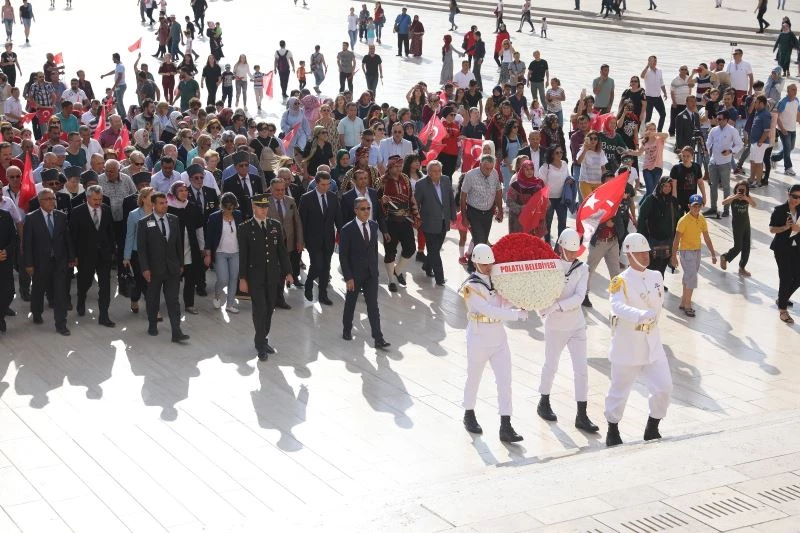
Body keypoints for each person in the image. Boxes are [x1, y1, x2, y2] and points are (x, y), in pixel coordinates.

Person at [605, 233, 672, 447]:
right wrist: (638, 314)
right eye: (640, 253)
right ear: (629, 254)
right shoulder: (620, 281)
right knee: (619, 391)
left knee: (664, 387)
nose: (646, 256)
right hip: (628, 343)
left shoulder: (656, 277)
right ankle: (613, 427)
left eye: (646, 251)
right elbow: (616, 306)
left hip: (652, 342)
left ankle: (652, 426)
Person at [460, 243, 527, 443]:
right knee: (474, 377)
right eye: (484, 264)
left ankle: (505, 424)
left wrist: (520, 302)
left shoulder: (496, 281)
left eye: (490, 263)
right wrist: (516, 315)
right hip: (479, 337)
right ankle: (469, 413)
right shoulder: (470, 286)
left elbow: (503, 302)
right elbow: (488, 310)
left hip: (498, 337)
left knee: (505, 381)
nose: (489, 267)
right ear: (475, 263)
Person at [537, 228, 599, 432]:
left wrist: (556, 306)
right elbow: (541, 293)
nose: (573, 255)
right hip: (555, 326)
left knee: (581, 371)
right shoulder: (549, 267)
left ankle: (582, 414)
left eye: (575, 252)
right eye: (570, 251)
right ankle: (543, 402)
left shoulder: (582, 268)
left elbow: (580, 297)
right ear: (561, 246)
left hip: (577, 325)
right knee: (551, 365)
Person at [238, 193, 292, 360]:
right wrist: (242, 278)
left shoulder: (274, 225)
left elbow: (282, 252)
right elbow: (243, 256)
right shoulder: (245, 228)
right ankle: (260, 344)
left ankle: (262, 338)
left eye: (266, 206)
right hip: (255, 277)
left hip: (272, 276)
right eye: (260, 207)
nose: (264, 210)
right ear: (254, 207)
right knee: (260, 309)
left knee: (269, 309)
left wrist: (288, 272)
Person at [136, 191, 189, 343]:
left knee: (173, 300)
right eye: (161, 203)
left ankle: (176, 331)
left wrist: (180, 264)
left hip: (172, 268)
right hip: (154, 269)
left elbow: (179, 243)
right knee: (153, 299)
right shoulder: (144, 223)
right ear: (153, 205)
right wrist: (145, 269)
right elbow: (142, 249)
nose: (165, 205)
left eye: (166, 202)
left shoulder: (174, 219)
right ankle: (152, 324)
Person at [340, 195, 390, 348]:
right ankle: (347, 329)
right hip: (354, 275)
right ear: (355, 210)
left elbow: (373, 249)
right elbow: (343, 256)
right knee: (351, 303)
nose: (366, 211)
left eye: (368, 208)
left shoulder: (374, 226)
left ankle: (378, 338)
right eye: (363, 209)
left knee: (373, 306)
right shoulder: (347, 229)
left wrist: (375, 269)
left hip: (371, 274)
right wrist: (348, 277)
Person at [24, 188, 75, 336]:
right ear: (40, 202)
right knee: (39, 289)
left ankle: (61, 324)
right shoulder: (31, 218)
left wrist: (71, 257)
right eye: (47, 199)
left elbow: (67, 238)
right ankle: (37, 312)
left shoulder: (61, 216)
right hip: (40, 262)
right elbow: (27, 243)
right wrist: (28, 264)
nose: (52, 201)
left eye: (53, 198)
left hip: (59, 261)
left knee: (60, 293)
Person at [69, 184, 115, 327]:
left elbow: (110, 231)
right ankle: (81, 299)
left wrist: (111, 251)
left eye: (100, 199)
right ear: (87, 198)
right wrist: (74, 256)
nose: (98, 202)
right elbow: (72, 236)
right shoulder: (77, 212)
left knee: (105, 286)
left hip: (103, 255)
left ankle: (104, 315)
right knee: (85, 282)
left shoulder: (106, 209)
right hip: (85, 256)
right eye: (95, 199)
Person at [670, 194, 717, 318]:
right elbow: (676, 240)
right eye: (694, 206)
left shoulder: (701, 218)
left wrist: (713, 253)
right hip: (686, 252)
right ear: (689, 206)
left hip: (697, 251)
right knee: (692, 278)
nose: (696, 208)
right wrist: (673, 257)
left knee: (689, 277)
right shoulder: (683, 221)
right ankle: (688, 305)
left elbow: (706, 237)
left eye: (699, 206)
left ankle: (683, 302)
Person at [299, 171, 342, 305]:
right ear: (316, 183)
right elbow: (301, 221)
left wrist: (344, 235)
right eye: (322, 184)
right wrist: (301, 241)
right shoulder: (306, 198)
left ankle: (323, 295)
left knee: (326, 267)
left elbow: (338, 219)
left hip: (328, 239)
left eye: (328, 184)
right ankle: (309, 283)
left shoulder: (333, 197)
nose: (325, 187)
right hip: (312, 240)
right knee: (317, 265)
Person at [414, 160, 456, 285]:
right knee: (434, 250)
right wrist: (416, 218)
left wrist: (453, 215)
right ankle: (440, 278)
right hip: (428, 222)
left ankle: (427, 266)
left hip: (443, 222)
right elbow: (416, 203)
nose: (437, 173)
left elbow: (450, 199)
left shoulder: (446, 180)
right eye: (434, 171)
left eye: (439, 171)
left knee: (436, 248)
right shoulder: (421, 184)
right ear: (429, 172)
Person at [460, 154, 503, 270]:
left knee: (483, 240)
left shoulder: (494, 173)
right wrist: (464, 217)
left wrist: (500, 210)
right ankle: (474, 267)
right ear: (480, 165)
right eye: (486, 168)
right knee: (480, 240)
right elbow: (463, 196)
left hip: (488, 212)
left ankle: (472, 263)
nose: (489, 171)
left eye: (491, 168)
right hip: (474, 213)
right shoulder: (470, 175)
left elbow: (498, 191)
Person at [267, 177, 303, 307]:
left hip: (287, 243)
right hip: (270, 244)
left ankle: (279, 299)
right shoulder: (264, 202)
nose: (280, 192)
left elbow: (297, 223)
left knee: (283, 271)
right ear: (271, 189)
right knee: (272, 272)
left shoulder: (291, 201)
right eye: (277, 190)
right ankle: (270, 298)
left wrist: (299, 241)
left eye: (283, 190)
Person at [204, 191, 242, 313]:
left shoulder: (238, 215)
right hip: (220, 252)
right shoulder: (214, 217)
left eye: (232, 207)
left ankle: (230, 304)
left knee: (233, 278)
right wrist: (208, 255)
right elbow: (209, 237)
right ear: (222, 206)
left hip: (235, 252)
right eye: (227, 207)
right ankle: (217, 295)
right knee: (223, 279)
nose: (229, 210)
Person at [637, 176, 680, 279]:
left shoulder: (673, 201)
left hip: (668, 241)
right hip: (652, 240)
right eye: (664, 186)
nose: (667, 188)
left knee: (663, 265)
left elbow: (677, 219)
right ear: (660, 186)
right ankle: (651, 285)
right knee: (652, 266)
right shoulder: (651, 199)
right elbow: (642, 217)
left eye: (669, 186)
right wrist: (641, 237)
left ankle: (659, 283)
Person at [770, 184, 800, 323]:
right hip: (781, 249)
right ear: (788, 194)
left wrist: (797, 228)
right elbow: (772, 229)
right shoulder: (779, 210)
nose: (796, 200)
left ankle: (782, 299)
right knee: (786, 278)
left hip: (796, 249)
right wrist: (786, 227)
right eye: (794, 196)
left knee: (798, 278)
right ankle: (783, 310)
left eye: (799, 197)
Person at [705, 110, 743, 218]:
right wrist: (705, 148)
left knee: (726, 187)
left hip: (725, 163)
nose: (718, 121)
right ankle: (713, 208)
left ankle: (726, 210)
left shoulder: (732, 131)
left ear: (726, 120)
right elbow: (708, 142)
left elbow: (740, 144)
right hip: (713, 162)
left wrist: (730, 151)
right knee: (712, 186)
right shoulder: (713, 130)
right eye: (717, 119)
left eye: (720, 119)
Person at [720, 180, 755, 277]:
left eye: (743, 190)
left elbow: (754, 205)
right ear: (736, 189)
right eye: (739, 190)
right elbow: (723, 202)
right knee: (738, 246)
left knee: (747, 247)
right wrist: (735, 197)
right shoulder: (733, 197)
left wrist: (746, 198)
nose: (741, 192)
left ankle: (742, 267)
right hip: (737, 225)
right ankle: (725, 257)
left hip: (746, 224)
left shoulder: (747, 197)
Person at [100, 53, 127, 118]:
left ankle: (123, 116)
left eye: (113, 58)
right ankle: (119, 115)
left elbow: (119, 77)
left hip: (120, 86)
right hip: (118, 86)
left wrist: (114, 86)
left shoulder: (120, 66)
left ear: (115, 58)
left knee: (119, 102)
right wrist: (105, 75)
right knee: (114, 101)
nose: (112, 60)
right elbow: (114, 71)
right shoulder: (118, 65)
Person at [0, 205, 14, 332]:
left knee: (9, 292)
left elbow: (13, 238)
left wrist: (6, 251)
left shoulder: (5, 215)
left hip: (4, 262)